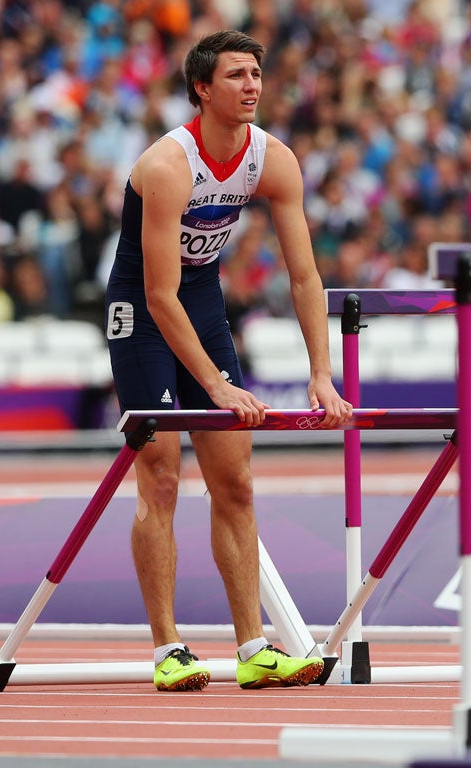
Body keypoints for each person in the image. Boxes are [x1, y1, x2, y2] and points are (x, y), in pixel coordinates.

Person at [104, 29, 352, 692]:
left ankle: (252, 648)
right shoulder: (167, 166)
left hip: (203, 302)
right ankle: (168, 650)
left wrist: (321, 373)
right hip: (144, 311)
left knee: (235, 481)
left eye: (256, 74)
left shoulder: (274, 160)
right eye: (237, 76)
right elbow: (158, 294)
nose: (252, 86)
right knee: (160, 476)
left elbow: (305, 277)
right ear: (201, 90)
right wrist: (213, 385)